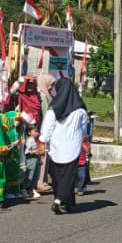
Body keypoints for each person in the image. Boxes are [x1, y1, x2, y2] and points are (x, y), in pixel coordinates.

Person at [39, 76, 90, 215]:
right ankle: (60, 200)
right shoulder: (80, 110)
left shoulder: (53, 109)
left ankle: (62, 199)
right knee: (68, 177)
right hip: (72, 147)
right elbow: (84, 129)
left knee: (57, 177)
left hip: (55, 148)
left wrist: (43, 141)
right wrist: (83, 140)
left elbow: (47, 128)